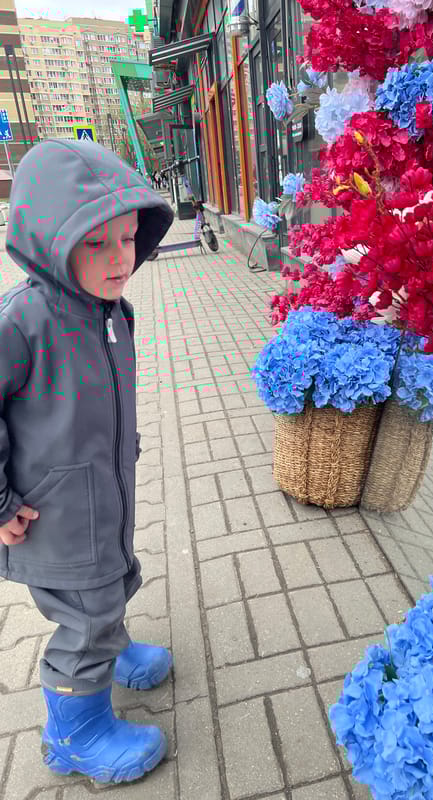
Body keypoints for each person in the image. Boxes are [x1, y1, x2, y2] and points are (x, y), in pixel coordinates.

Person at [0, 138, 175, 783]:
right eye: (96, 244)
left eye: (127, 239)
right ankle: (75, 734)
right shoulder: (24, 321)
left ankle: (114, 650)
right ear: (51, 241)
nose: (120, 259)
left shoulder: (107, 309)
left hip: (104, 495)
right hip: (52, 513)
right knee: (82, 618)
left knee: (111, 582)